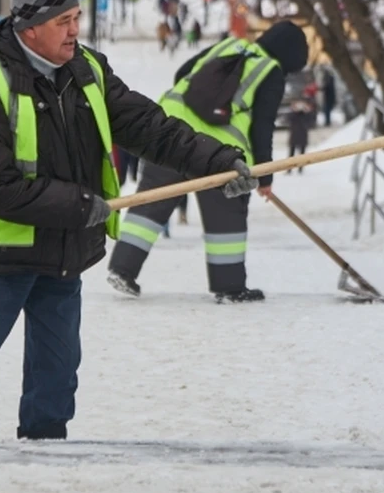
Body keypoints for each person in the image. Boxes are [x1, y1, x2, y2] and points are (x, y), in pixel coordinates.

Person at [0, 0, 257, 441]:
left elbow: (153, 128)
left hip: (63, 252)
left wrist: (219, 160)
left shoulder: (89, 71)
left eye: (77, 17)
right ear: (30, 28)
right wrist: (78, 205)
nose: (74, 30)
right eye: (63, 21)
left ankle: (45, 456)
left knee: (57, 376)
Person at [107, 21, 309, 302]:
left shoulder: (227, 45)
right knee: (226, 217)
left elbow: (183, 72)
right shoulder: (270, 71)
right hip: (220, 153)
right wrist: (265, 177)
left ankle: (121, 269)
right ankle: (229, 288)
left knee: (149, 204)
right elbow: (262, 126)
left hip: (169, 133)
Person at [286, 84, 317, 173]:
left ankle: (301, 168)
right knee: (291, 152)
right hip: (294, 134)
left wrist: (307, 111)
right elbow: (288, 119)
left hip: (303, 133)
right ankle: (289, 168)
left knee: (302, 152)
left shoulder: (307, 112)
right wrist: (294, 111)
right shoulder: (293, 113)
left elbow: (312, 121)